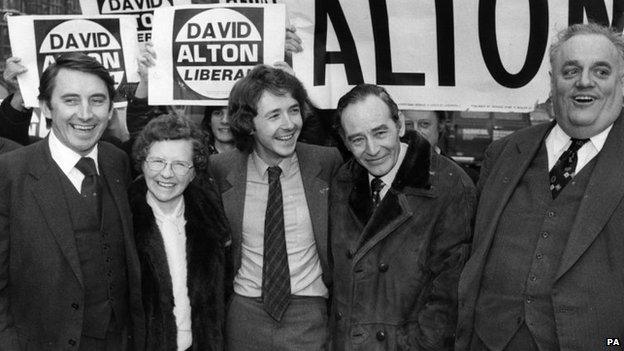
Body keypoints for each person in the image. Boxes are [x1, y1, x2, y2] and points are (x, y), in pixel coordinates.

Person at [456, 23, 624, 351]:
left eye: (601, 71)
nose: (584, 81)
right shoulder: (503, 153)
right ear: (552, 81)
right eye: (570, 70)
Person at [0, 52, 144, 350]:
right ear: (46, 107)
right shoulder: (10, 173)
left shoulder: (117, 161)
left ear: (110, 108)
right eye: (70, 100)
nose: (85, 113)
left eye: (97, 100)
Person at [330, 84, 476, 350]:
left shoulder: (450, 186)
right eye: (358, 139)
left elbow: (449, 298)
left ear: (399, 125)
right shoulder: (343, 180)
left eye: (380, 133)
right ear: (345, 141)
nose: (372, 149)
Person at [209, 64, 343, 350]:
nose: (289, 123)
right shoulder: (221, 169)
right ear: (248, 123)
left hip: (310, 316)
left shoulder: (328, 163)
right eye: (274, 115)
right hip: (244, 317)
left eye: (294, 110)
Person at [130, 114, 230, 351]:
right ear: (142, 162)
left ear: (194, 171)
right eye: (157, 162)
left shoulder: (211, 217)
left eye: (179, 164)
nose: (167, 174)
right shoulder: (123, 219)